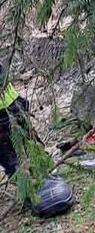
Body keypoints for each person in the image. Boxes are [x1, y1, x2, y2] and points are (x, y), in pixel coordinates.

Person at [0, 72, 76, 218]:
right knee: (16, 158)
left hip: (10, 107)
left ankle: (38, 178)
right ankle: (30, 183)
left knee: (27, 151)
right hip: (10, 109)